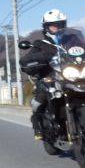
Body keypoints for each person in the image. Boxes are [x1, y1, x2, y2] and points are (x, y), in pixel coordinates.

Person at [20, 9, 67, 139]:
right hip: (49, 76)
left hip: (71, 75)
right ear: (46, 27)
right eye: (53, 25)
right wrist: (38, 59)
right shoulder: (40, 44)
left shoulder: (72, 40)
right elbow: (29, 58)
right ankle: (37, 125)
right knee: (41, 96)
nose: (57, 27)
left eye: (60, 24)